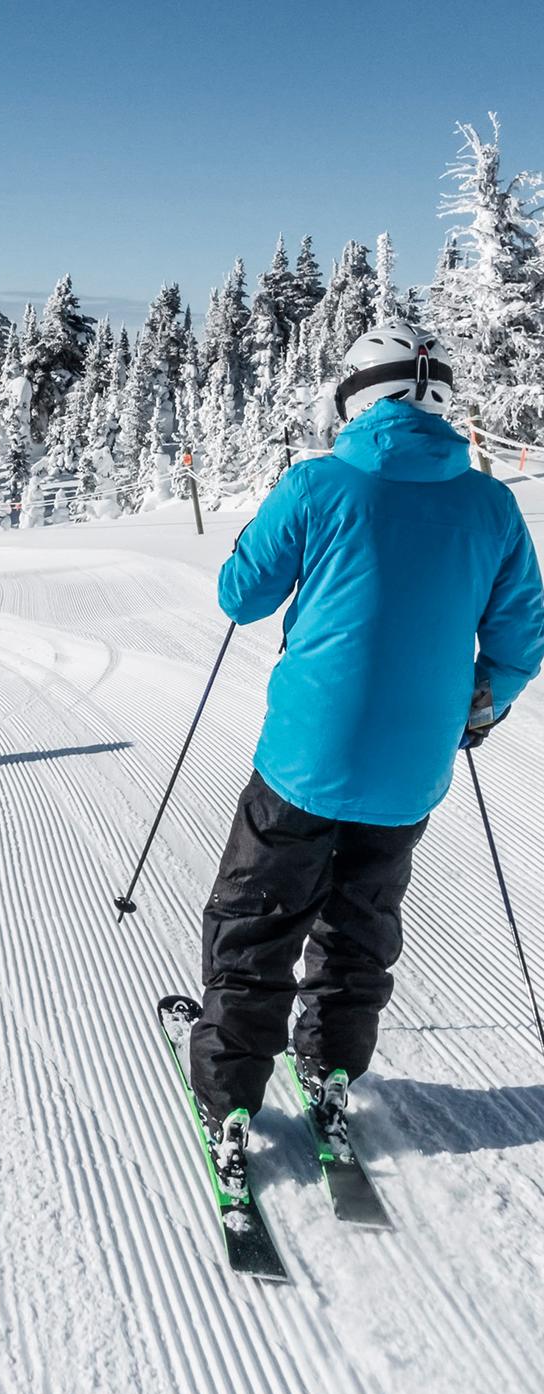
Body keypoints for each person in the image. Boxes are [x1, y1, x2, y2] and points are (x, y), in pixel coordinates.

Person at [188, 323, 544, 1191]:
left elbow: (243, 595)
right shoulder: (491, 504)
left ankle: (231, 1095)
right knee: (360, 925)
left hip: (306, 758)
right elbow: (521, 632)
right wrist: (483, 700)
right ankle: (332, 1068)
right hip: (413, 768)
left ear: (355, 396)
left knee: (258, 917)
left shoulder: (318, 483)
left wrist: (258, 536)